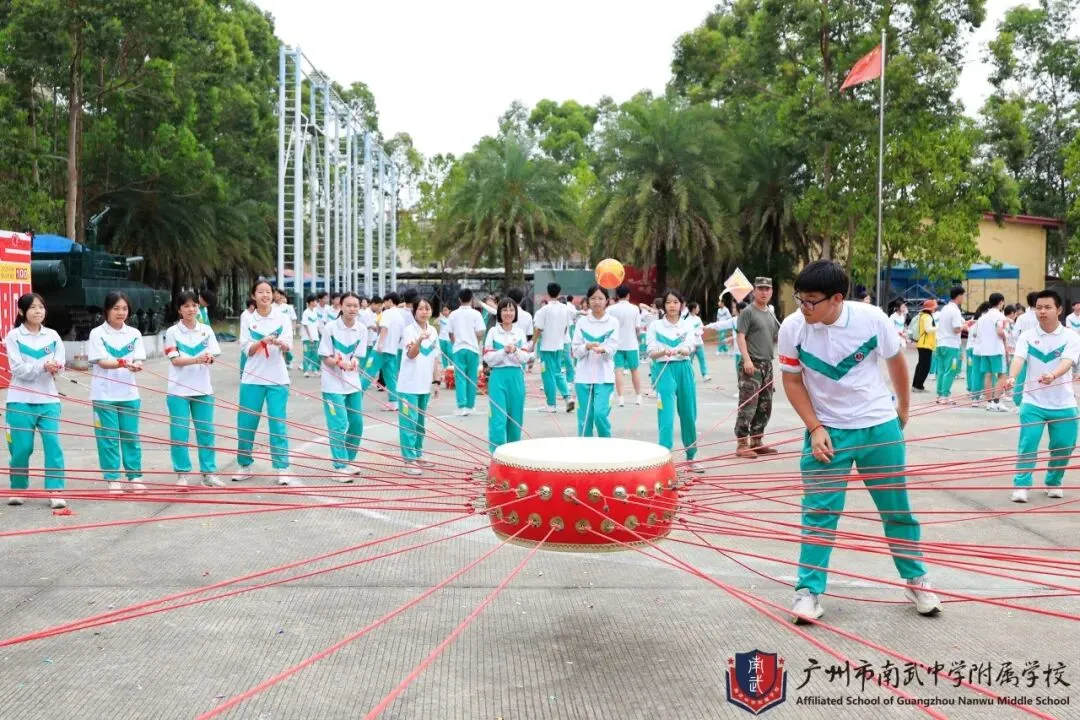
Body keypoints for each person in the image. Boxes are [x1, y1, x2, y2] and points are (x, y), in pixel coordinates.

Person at [778, 260, 941, 623]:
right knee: (819, 514)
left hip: (878, 426)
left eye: (811, 301)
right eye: (799, 299)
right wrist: (815, 427)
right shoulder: (793, 328)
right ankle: (808, 591)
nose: (803, 308)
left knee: (897, 509)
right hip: (828, 433)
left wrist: (902, 410)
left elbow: (897, 363)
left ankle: (916, 579)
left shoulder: (871, 319)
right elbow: (791, 381)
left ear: (837, 299)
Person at [1002, 290, 1080, 503]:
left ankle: (1054, 482)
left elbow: (1067, 361)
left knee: (1064, 446)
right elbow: (1018, 358)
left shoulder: (1071, 337)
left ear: (1059, 310)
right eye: (1039, 307)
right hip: (1033, 402)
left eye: (1047, 307)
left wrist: (1053, 374)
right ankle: (1021, 485)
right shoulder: (1027, 336)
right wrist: (1011, 377)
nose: (1042, 311)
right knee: (1028, 444)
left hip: (1063, 402)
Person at [5, 293, 67, 509]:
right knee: (21, 448)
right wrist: (42, 367)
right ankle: (18, 488)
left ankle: (55, 489)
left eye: (41, 307)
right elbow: (18, 369)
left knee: (53, 445)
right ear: (22, 312)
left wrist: (56, 367)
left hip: (49, 400)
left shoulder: (53, 336)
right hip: (20, 400)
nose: (38, 311)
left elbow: (61, 362)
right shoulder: (14, 337)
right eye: (33, 308)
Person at [233, 279, 294, 486]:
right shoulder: (247, 318)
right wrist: (261, 342)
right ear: (254, 295)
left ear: (273, 295)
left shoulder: (282, 318)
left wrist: (280, 343)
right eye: (260, 292)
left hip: (278, 379)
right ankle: (244, 464)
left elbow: (288, 346)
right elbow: (247, 349)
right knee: (246, 425)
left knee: (277, 424)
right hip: (252, 378)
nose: (265, 296)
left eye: (268, 292)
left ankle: (282, 467)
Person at [88, 291, 148, 493]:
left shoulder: (134, 334)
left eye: (124, 308)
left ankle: (135, 476)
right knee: (109, 438)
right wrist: (123, 363)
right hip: (104, 395)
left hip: (129, 394)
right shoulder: (97, 334)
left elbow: (139, 358)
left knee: (131, 437)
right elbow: (103, 362)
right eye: (116, 308)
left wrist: (136, 365)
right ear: (107, 310)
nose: (121, 312)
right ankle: (113, 477)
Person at [164, 291, 224, 488]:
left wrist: (209, 359)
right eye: (187, 306)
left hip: (203, 390)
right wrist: (196, 359)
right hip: (178, 392)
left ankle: (209, 473)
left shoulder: (206, 330)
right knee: (180, 433)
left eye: (194, 306)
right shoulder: (172, 332)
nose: (191, 309)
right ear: (179, 309)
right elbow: (175, 360)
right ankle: (182, 473)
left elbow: (214, 354)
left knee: (206, 432)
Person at [647, 289, 703, 472]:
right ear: (664, 305)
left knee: (688, 413)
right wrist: (662, 352)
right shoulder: (655, 326)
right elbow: (651, 352)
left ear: (682, 305)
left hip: (684, 369)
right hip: (664, 370)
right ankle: (664, 459)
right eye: (669, 302)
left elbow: (690, 345)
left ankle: (691, 457)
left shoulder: (687, 325)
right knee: (666, 415)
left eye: (675, 302)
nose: (672, 306)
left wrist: (684, 350)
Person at [319, 291, 368, 482]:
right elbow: (324, 356)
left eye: (355, 305)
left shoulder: (362, 329)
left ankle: (348, 460)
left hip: (352, 383)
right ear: (341, 306)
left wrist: (354, 362)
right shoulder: (330, 328)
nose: (352, 309)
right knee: (339, 424)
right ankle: (339, 465)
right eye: (348, 305)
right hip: (332, 384)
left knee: (356, 423)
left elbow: (358, 354)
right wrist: (339, 363)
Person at [735, 277, 780, 458]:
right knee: (748, 404)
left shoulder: (770, 313)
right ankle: (742, 443)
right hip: (752, 364)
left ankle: (757, 440)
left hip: (767, 365)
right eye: (760, 289)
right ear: (754, 291)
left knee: (765, 405)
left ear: (771, 292)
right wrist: (746, 360)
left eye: (767, 289)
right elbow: (741, 336)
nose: (764, 292)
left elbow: (775, 337)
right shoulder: (748, 312)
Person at [397, 298, 442, 475]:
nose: (424, 312)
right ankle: (409, 460)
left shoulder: (433, 331)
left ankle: (418, 453)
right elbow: (411, 354)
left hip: (424, 385)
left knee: (420, 424)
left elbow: (435, 358)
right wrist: (419, 340)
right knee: (409, 423)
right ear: (414, 312)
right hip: (408, 385)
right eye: (421, 309)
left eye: (427, 308)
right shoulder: (409, 331)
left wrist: (436, 382)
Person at [571, 285, 620, 437]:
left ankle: (606, 450)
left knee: (600, 415)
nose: (596, 302)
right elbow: (576, 351)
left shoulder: (613, 322)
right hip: (583, 377)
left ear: (607, 301)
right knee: (585, 420)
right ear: (587, 301)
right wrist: (586, 346)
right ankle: (585, 456)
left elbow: (613, 348)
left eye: (600, 298)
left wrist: (604, 350)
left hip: (604, 377)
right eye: (593, 298)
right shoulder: (582, 322)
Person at [483, 298, 530, 452]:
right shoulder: (493, 332)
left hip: (516, 377)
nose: (508, 313)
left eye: (511, 310)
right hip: (498, 378)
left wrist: (515, 350)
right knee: (498, 420)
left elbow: (525, 358)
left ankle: (513, 456)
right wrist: (504, 351)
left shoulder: (520, 332)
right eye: (504, 310)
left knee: (515, 419)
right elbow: (488, 359)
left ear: (515, 313)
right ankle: (496, 456)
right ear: (499, 312)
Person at [532, 283, 575, 413]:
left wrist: (532, 344)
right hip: (559, 346)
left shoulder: (543, 310)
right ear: (559, 292)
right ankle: (567, 398)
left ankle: (551, 405)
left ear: (548, 292)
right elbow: (567, 327)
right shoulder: (566, 309)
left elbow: (538, 329)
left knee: (547, 375)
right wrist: (559, 338)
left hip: (546, 347)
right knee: (557, 372)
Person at [362, 292, 404, 411]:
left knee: (368, 373)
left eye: (385, 302)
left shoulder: (387, 313)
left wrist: (380, 344)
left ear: (390, 301)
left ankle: (355, 398)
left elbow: (384, 329)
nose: (383, 305)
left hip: (380, 350)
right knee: (390, 376)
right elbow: (400, 336)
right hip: (392, 351)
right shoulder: (400, 317)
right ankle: (394, 401)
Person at [447, 289, 486, 416]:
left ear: (459, 299)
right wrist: (475, 340)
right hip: (473, 348)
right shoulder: (476, 314)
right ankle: (471, 406)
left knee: (460, 378)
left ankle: (462, 406)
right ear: (472, 299)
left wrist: (455, 343)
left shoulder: (453, 314)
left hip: (459, 348)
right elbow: (480, 332)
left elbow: (450, 333)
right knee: (472, 378)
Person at [608, 285, 644, 406]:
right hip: (631, 344)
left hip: (617, 344)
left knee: (618, 370)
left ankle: (621, 399)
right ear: (628, 295)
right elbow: (637, 328)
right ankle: (638, 397)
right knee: (635, 370)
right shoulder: (635, 309)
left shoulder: (611, 309)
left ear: (617, 296)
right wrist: (638, 340)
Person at [972, 292, 1009, 412]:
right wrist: (1005, 335)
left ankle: (989, 402)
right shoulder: (1000, 316)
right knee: (1002, 375)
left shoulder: (982, 317)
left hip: (984, 351)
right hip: (997, 350)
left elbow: (976, 334)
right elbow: (1000, 331)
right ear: (1001, 302)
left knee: (988, 375)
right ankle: (997, 401)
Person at [934, 287, 965, 405]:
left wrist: (963, 324)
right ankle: (945, 396)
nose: (963, 298)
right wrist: (965, 326)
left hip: (941, 343)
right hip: (951, 345)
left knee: (941, 370)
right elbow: (957, 329)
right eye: (963, 295)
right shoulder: (955, 310)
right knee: (951, 371)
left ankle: (940, 394)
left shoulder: (945, 309)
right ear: (958, 296)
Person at [911, 299, 937, 392]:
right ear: (930, 308)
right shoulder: (927, 317)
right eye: (934, 306)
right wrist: (938, 327)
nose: (935, 308)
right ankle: (919, 386)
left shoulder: (922, 316)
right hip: (926, 344)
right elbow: (928, 329)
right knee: (925, 366)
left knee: (921, 365)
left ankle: (915, 385)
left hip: (922, 343)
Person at [686, 301, 710, 381]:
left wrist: (698, 332)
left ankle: (705, 375)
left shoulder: (698, 318)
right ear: (693, 309)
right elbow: (688, 332)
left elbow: (701, 328)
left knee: (702, 359)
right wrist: (695, 332)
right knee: (690, 361)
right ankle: (690, 376)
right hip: (691, 344)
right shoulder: (687, 320)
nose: (698, 309)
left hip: (699, 343)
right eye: (697, 308)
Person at [300, 294, 321, 377]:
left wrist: (318, 334)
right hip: (307, 338)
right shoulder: (306, 312)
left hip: (315, 337)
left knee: (315, 354)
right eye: (314, 301)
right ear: (310, 302)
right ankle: (306, 370)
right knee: (307, 353)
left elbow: (317, 325)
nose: (316, 303)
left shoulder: (315, 312)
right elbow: (305, 325)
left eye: (316, 301)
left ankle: (314, 369)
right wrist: (309, 337)